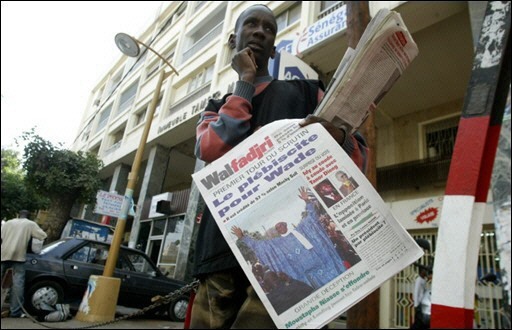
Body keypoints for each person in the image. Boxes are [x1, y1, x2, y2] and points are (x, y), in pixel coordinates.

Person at [189, 4, 368, 328]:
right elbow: (213, 148)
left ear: (274, 47)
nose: (260, 31)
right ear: (233, 40)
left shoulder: (306, 92)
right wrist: (245, 81)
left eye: (269, 28)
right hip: (219, 254)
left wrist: (338, 136)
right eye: (252, 25)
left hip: (291, 269)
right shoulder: (215, 108)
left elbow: (358, 155)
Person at [232, 187, 347, 289]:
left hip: (324, 264)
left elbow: (311, 216)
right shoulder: (276, 243)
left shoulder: (302, 230)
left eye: (281, 224)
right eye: (277, 227)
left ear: (286, 224)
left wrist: (307, 201)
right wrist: (242, 236)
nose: (280, 228)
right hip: (304, 274)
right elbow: (259, 245)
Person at [1, 210, 47, 318]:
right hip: (19, 257)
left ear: (18, 215)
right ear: (29, 216)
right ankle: (15, 311)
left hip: (3, 255)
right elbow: (43, 236)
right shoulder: (30, 224)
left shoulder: (8, 223)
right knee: (17, 285)